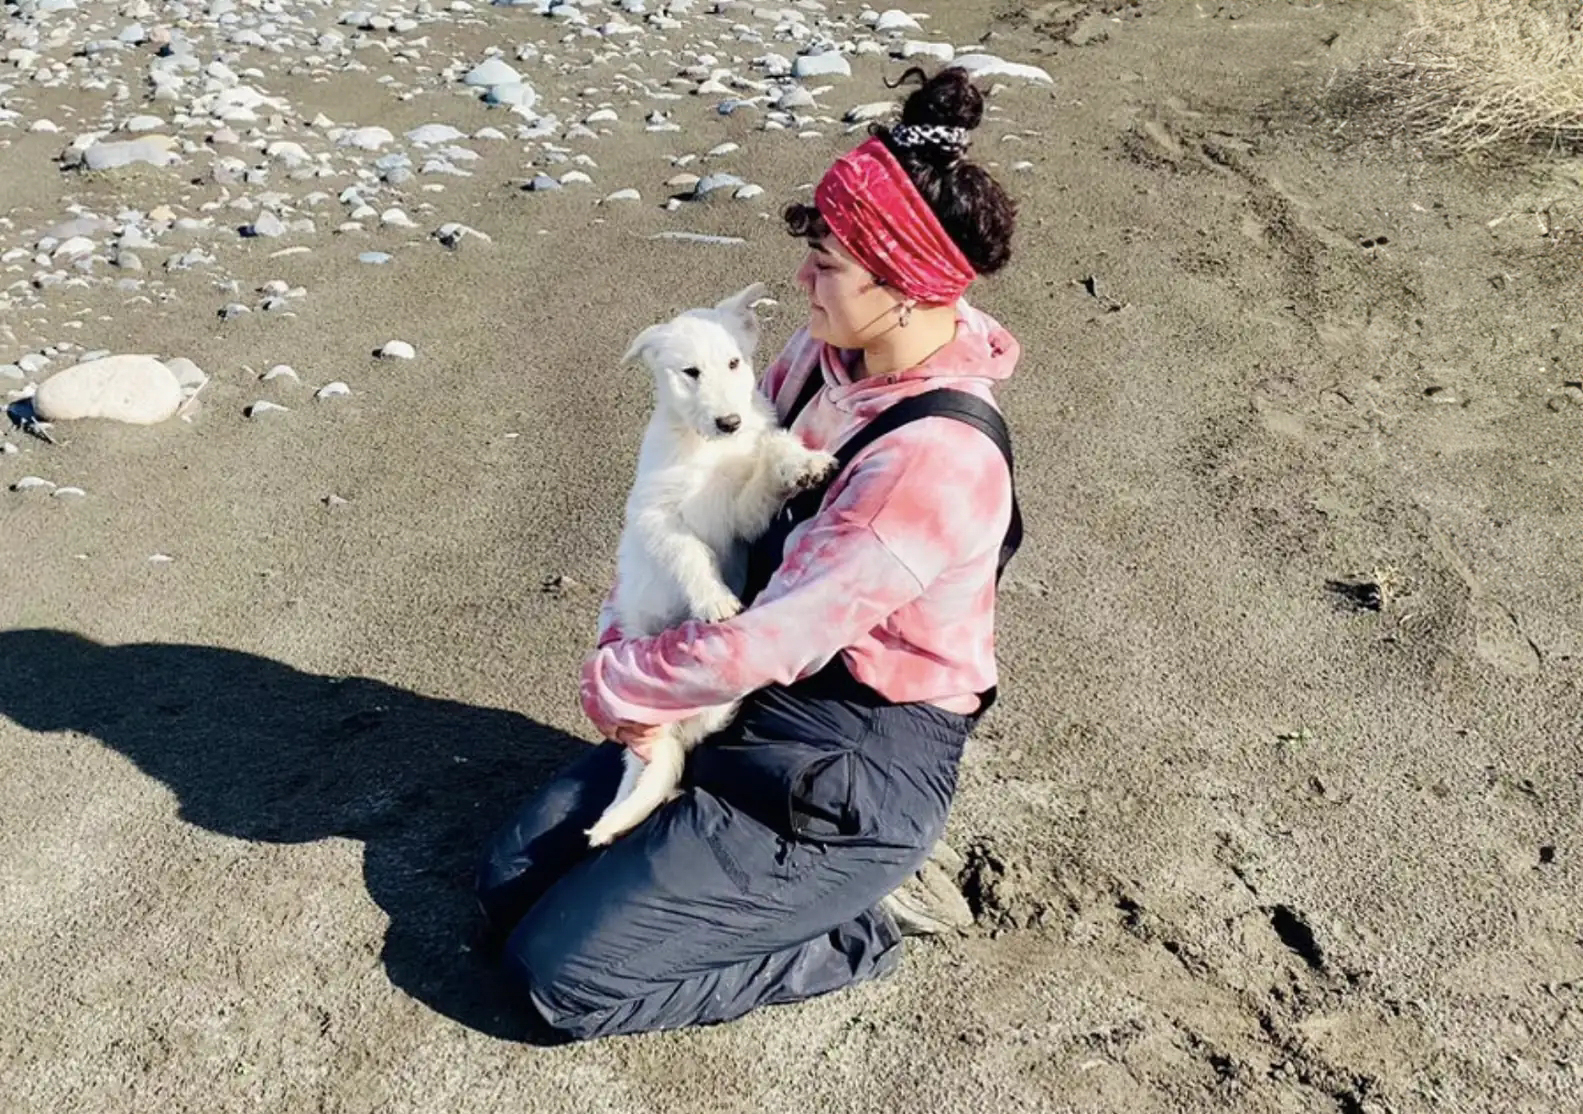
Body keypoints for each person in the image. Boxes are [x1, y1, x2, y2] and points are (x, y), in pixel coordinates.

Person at [475, 65, 1023, 1043]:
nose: (802, 282)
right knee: (505, 883)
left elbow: (768, 639)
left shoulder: (932, 460)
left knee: (557, 977)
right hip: (751, 691)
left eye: (828, 265)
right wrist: (622, 630)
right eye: (808, 254)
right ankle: (713, 867)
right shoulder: (825, 354)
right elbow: (686, 505)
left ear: (901, 286)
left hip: (851, 758)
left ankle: (849, 930)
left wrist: (622, 683)